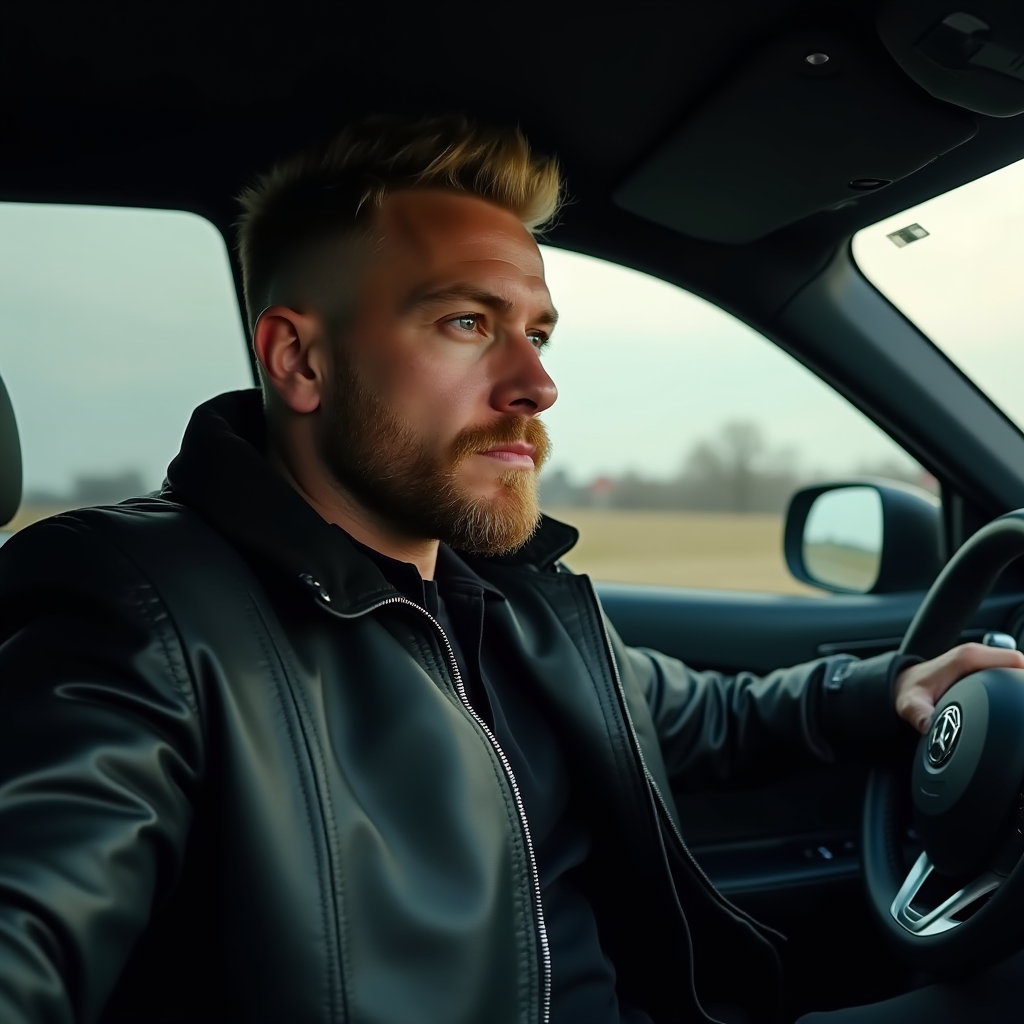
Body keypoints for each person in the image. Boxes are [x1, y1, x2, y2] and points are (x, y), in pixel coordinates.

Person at [0, 114, 1020, 1024]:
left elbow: (692, 715)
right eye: (465, 322)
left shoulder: (509, 595)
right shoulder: (136, 609)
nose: (535, 383)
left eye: (534, 332)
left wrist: (889, 689)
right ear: (299, 361)